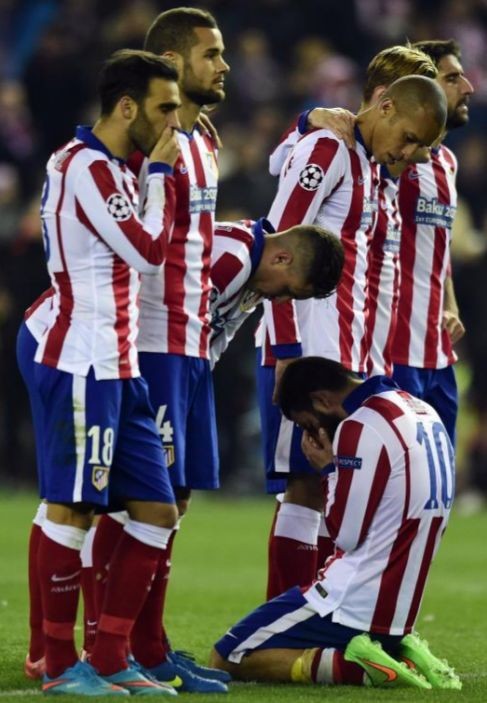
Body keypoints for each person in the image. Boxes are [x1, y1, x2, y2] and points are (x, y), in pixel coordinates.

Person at [18, 49, 183, 696]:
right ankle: (59, 665)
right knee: (74, 508)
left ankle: (111, 653)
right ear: (126, 108)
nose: (175, 122)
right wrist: (164, 176)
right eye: (164, 107)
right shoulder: (84, 165)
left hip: (121, 362)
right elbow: (145, 250)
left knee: (155, 509)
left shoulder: (114, 166)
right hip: (83, 356)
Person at [258, 62, 446, 599]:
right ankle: (279, 624)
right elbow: (278, 247)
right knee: (302, 488)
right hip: (305, 351)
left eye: (420, 148)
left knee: (325, 485)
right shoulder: (328, 151)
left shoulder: (370, 168)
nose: (408, 154)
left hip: (345, 355)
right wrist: (289, 353)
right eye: (408, 139)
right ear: (384, 106)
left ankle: (313, 618)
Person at [89, 7, 232, 693]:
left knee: (175, 498)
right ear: (172, 63)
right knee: (140, 501)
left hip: (191, 341)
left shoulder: (200, 139)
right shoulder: (149, 146)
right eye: (211, 54)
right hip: (150, 340)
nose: (223, 65)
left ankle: (149, 642)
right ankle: (107, 645)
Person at [209, 356, 461, 691]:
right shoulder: (422, 410)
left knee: (228, 655)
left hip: (349, 604)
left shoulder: (361, 426)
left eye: (309, 424)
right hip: (400, 611)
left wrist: (329, 470)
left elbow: (346, 535)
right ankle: (401, 651)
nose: (312, 434)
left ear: (322, 400)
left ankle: (352, 667)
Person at [390, 39, 473, 447]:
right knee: (399, 481)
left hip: (438, 352)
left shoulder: (447, 162)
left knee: (437, 488)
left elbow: (436, 246)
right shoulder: (390, 156)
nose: (469, 87)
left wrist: (449, 301)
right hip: (394, 349)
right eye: (453, 78)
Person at [209, 218, 344, 368]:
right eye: (287, 290)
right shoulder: (230, 261)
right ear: (281, 259)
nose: (279, 301)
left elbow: (215, 340)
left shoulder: (256, 271)